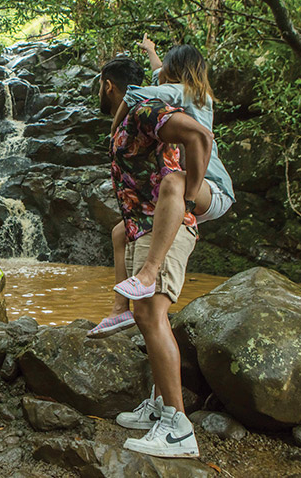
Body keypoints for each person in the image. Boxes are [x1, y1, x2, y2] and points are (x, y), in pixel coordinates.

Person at [95, 56, 213, 458]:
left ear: (108, 85)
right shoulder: (133, 114)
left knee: (150, 314)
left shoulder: (146, 109)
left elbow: (197, 136)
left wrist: (190, 196)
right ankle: (161, 409)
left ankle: (178, 428)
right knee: (148, 316)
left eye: (100, 84)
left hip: (163, 229)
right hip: (143, 229)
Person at [87, 36, 235, 338]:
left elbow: (135, 95)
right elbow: (156, 75)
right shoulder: (187, 91)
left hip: (211, 188)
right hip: (194, 189)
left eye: (164, 65)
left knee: (174, 182)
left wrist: (116, 130)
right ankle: (120, 310)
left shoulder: (183, 93)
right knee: (120, 232)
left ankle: (150, 272)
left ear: (177, 72)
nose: (159, 70)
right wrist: (152, 52)